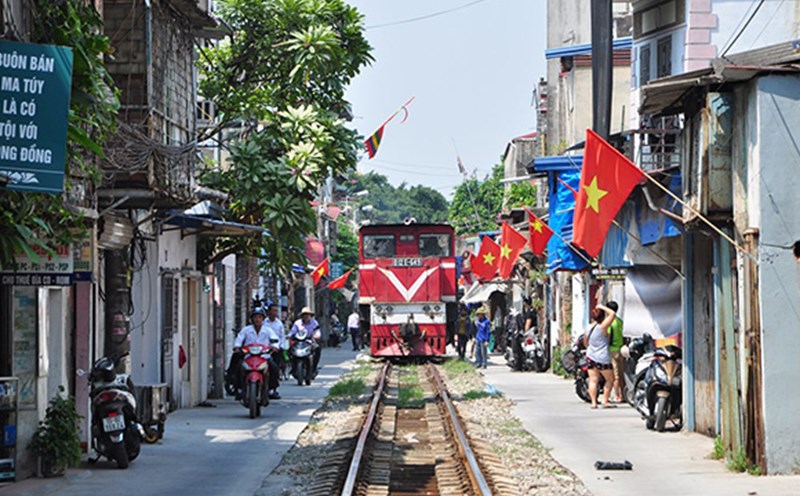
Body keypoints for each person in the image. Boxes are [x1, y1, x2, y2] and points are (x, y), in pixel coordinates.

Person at [233, 307, 282, 400]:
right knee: (238, 367)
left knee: (274, 367)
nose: (257, 319)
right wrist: (237, 347)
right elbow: (239, 339)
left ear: (263, 319)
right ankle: (238, 388)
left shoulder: (268, 330)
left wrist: (274, 347)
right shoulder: (246, 330)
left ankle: (272, 389)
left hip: (264, 356)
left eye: (259, 317)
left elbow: (275, 340)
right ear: (251, 319)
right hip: (248, 356)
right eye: (255, 317)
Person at [583, 303, 617, 409]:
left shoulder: (588, 327)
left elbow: (585, 342)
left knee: (593, 380)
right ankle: (605, 400)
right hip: (603, 357)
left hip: (591, 356)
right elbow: (613, 314)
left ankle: (593, 402)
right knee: (610, 379)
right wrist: (602, 307)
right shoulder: (602, 327)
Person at [289, 307, 322, 376]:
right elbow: (292, 332)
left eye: (308, 314)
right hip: (299, 343)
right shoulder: (297, 323)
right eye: (304, 314)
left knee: (317, 348)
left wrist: (316, 335)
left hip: (309, 343)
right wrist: (290, 336)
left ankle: (314, 367)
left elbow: (317, 332)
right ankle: (293, 367)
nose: (306, 316)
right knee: (290, 350)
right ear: (302, 315)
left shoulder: (314, 323)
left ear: (310, 315)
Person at [264, 303, 289, 380]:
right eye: (273, 311)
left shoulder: (279, 324)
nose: (275, 313)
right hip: (265, 346)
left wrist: (279, 346)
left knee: (278, 359)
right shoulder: (264, 323)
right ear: (268, 312)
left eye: (276, 311)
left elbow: (282, 336)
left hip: (276, 346)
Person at [606, 301, 625, 403]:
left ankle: (617, 396)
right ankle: (623, 394)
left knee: (615, 375)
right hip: (620, 349)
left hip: (612, 350)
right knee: (621, 374)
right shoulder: (619, 321)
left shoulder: (610, 322)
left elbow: (608, 336)